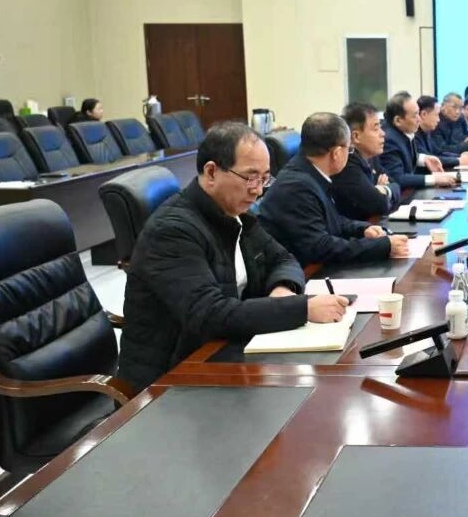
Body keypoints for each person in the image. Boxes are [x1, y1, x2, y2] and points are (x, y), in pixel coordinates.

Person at [117, 122, 349, 389]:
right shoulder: (172, 231)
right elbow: (210, 314)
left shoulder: (234, 214)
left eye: (264, 178)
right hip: (171, 380)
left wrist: (283, 290)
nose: (258, 190)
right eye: (250, 177)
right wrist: (302, 308)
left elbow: (284, 258)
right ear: (211, 172)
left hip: (224, 352)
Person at [258, 112, 409, 267]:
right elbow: (320, 248)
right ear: (336, 153)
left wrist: (363, 229)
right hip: (303, 272)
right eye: (349, 149)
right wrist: (383, 247)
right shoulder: (296, 186)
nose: (349, 154)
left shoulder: (311, 172)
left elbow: (331, 219)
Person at [331, 102, 401, 220]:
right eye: (376, 128)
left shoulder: (371, 156)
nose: (383, 133)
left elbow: (396, 185)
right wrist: (378, 193)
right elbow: (379, 205)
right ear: (356, 136)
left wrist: (383, 189)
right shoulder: (347, 165)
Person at [381, 91, 459, 189]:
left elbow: (403, 156)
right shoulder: (389, 139)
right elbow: (397, 178)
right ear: (398, 120)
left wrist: (423, 159)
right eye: (415, 115)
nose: (419, 119)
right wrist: (434, 179)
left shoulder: (404, 131)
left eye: (418, 113)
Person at [415, 95, 468, 169]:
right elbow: (432, 159)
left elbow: (439, 152)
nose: (438, 120)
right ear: (424, 114)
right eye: (436, 115)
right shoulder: (415, 135)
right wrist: (458, 160)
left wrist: (459, 157)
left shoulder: (426, 132)